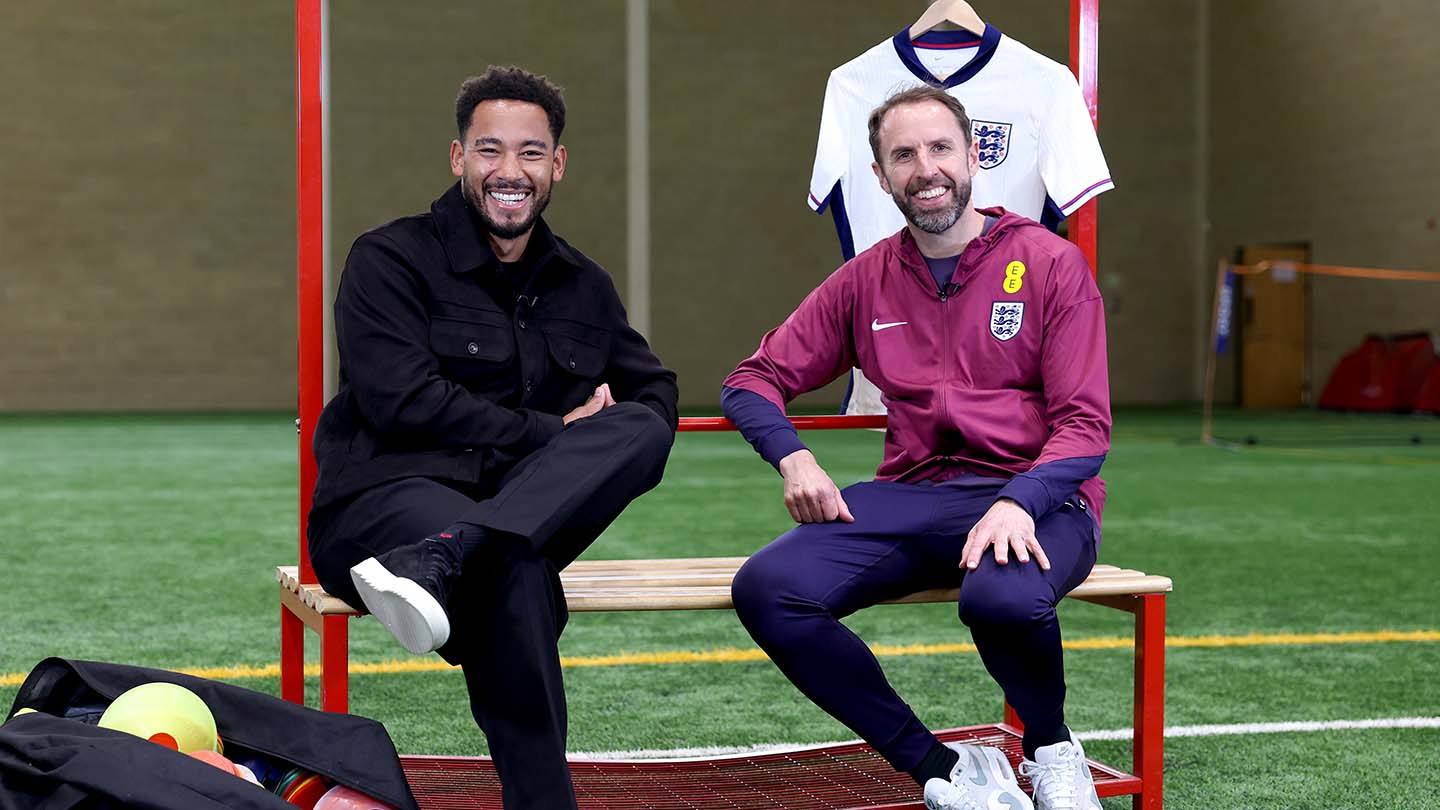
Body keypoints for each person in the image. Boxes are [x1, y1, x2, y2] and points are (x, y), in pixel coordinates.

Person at [721, 85, 1110, 810]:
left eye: (939, 149)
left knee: (1001, 597)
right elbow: (752, 380)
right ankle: (944, 769)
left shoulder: (1050, 263)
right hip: (915, 497)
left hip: (1042, 497)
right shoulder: (867, 278)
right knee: (768, 589)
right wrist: (794, 456)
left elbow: (1085, 424)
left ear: (972, 157)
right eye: (903, 155)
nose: (924, 168)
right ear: (880, 176)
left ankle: (1053, 749)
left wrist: (1019, 502)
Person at [307, 66, 678, 810]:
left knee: (636, 426)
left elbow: (655, 396)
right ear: (458, 158)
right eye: (490, 151)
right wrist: (552, 431)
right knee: (516, 570)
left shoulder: (583, 283)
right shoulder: (389, 259)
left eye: (531, 153)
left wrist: (590, 432)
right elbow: (401, 401)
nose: (511, 172)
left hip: (494, 516)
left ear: (557, 165)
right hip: (381, 505)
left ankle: (454, 551)